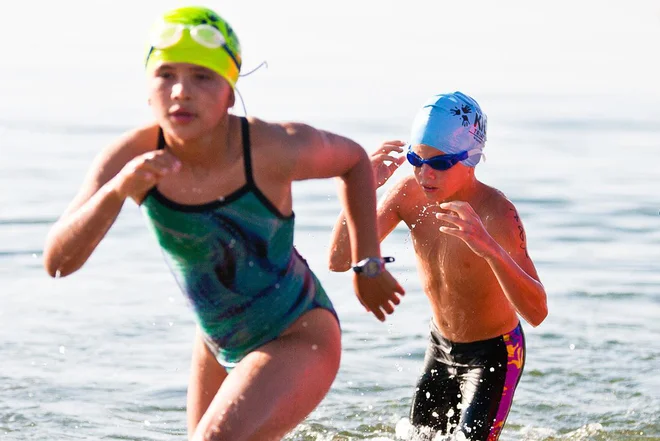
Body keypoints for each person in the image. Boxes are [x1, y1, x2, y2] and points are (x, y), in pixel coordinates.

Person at [42, 6, 405, 441]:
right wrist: (117, 191)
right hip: (217, 344)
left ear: (229, 92)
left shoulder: (272, 147)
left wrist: (367, 263)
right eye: (166, 74)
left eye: (202, 76)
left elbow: (353, 160)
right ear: (147, 88)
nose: (181, 91)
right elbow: (57, 263)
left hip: (298, 335)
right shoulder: (129, 157)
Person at [328, 91, 548, 440]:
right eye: (416, 158)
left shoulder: (497, 214)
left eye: (440, 163)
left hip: (494, 354)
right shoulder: (407, 192)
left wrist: (488, 248)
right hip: (440, 347)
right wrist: (360, 189)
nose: (424, 173)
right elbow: (339, 260)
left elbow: (537, 312)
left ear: (471, 158)